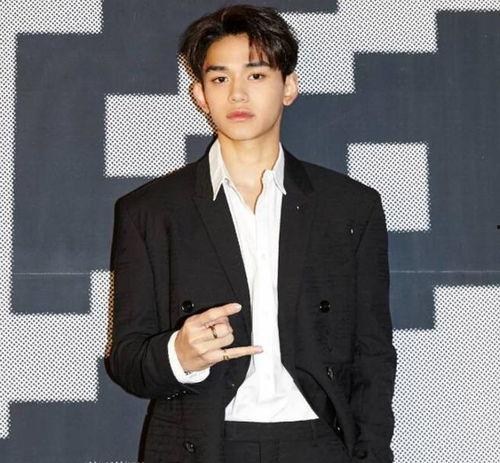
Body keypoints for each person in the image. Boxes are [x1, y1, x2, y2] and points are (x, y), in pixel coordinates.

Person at [107, 4, 397, 463]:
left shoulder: (350, 206)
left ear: (289, 87)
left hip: (319, 442)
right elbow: (126, 360)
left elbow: (373, 354)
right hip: (200, 444)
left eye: (256, 75)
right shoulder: (149, 212)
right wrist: (178, 354)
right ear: (200, 94)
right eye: (220, 78)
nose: (237, 93)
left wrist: (372, 454)